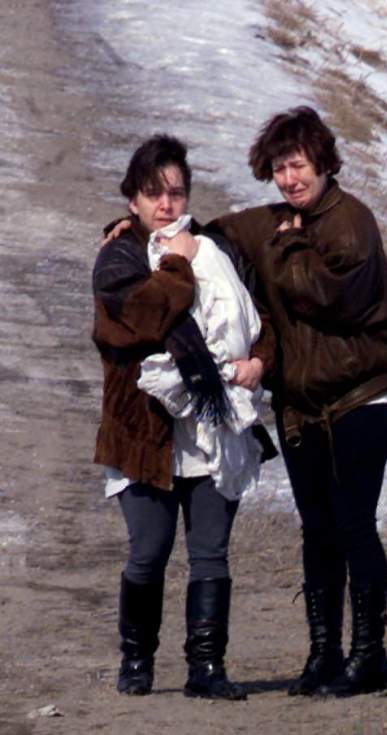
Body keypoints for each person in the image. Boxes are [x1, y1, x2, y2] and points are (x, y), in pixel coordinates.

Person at [211, 106, 387, 697]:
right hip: (301, 409)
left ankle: (370, 657)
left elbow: (329, 297)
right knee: (317, 530)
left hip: (360, 403)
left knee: (353, 525)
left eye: (297, 165)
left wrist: (288, 250)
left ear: (322, 161)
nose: (289, 179)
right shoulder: (279, 220)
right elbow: (215, 235)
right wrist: (146, 230)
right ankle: (324, 654)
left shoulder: (351, 224)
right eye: (278, 169)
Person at [93, 134, 275, 699]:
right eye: (153, 194)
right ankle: (136, 661)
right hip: (144, 433)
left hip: (212, 430)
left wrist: (260, 360)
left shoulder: (213, 251)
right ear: (132, 201)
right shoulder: (119, 256)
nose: (166, 204)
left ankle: (206, 668)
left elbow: (258, 316)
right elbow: (145, 317)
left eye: (175, 192)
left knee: (210, 554)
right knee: (147, 553)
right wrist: (176, 259)